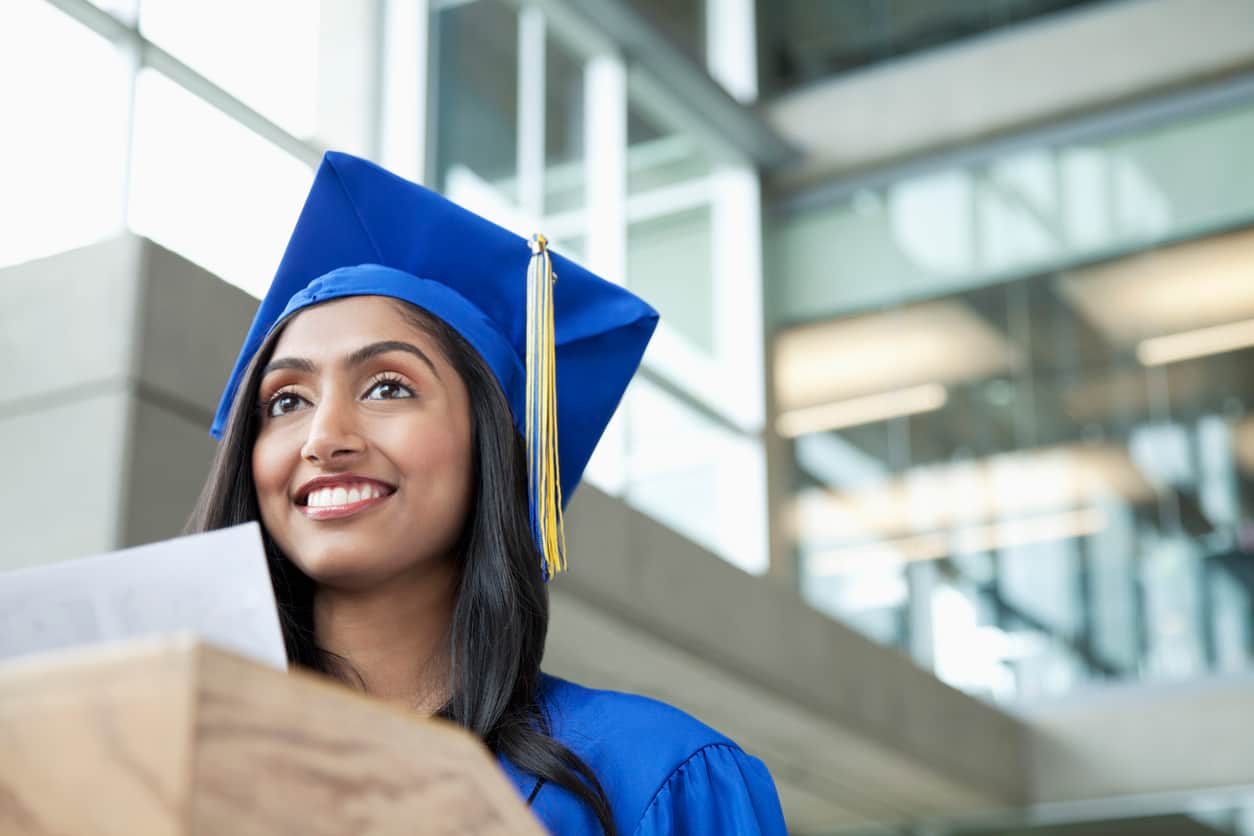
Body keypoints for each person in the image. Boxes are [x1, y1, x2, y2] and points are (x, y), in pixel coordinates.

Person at [190, 151, 786, 835]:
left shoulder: (653, 774)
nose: (322, 438)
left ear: (495, 448)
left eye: (389, 387)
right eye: (286, 400)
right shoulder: (176, 761)